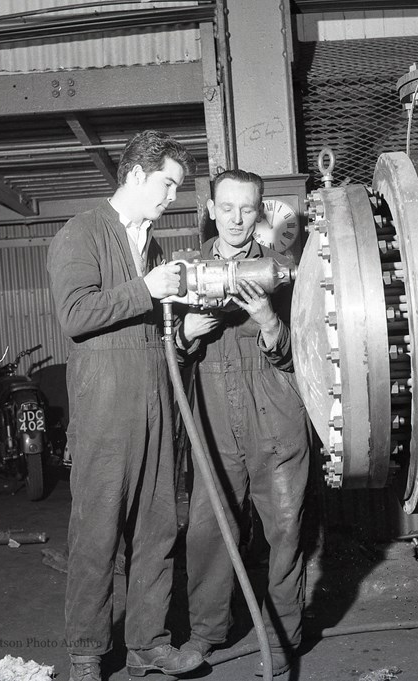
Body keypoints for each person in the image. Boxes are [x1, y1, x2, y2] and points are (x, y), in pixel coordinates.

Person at [47, 130, 204, 681]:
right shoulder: (81, 233)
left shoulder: (151, 246)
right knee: (97, 532)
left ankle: (147, 642)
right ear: (136, 174)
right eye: (166, 184)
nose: (171, 198)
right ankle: (87, 653)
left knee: (159, 527)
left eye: (177, 188)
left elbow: (153, 328)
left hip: (156, 399)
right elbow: (75, 315)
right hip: (106, 403)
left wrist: (185, 327)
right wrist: (149, 288)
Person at [177, 169, 311, 677]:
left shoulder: (282, 270)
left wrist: (272, 323)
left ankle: (279, 639)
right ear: (210, 208)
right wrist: (187, 331)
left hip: (275, 417)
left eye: (247, 209)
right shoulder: (187, 270)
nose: (235, 219)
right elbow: (164, 353)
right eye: (226, 207)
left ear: (259, 212)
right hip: (212, 415)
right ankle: (206, 635)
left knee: (285, 528)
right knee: (209, 533)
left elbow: (313, 356)